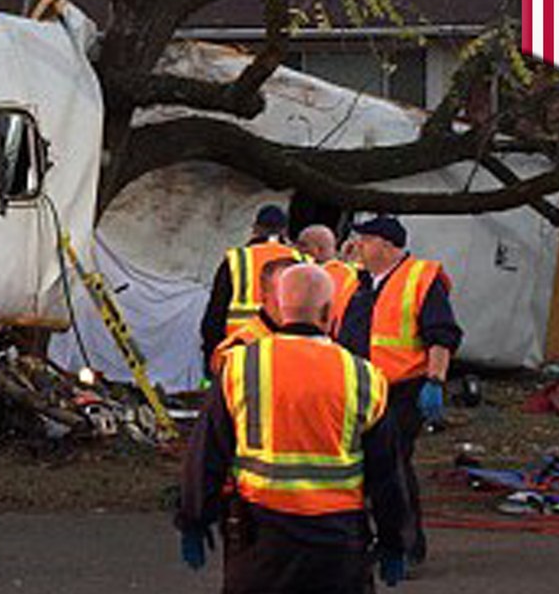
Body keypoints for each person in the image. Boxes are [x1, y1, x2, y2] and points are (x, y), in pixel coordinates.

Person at [178, 264, 412, 593]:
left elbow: (207, 452)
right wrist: (394, 540)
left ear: (281, 308)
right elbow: (387, 471)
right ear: (330, 312)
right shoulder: (364, 377)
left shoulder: (241, 368)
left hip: (260, 540)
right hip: (337, 543)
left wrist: (194, 517)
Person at [334, 215, 461, 567]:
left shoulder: (420, 279)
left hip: (401, 390)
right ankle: (367, 541)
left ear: (388, 246)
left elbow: (442, 335)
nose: (358, 246)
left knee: (392, 467)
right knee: (358, 469)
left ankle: (405, 546)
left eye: (366, 240)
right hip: (357, 390)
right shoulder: (356, 282)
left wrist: (435, 381)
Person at [200, 205, 304, 376]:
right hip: (287, 360)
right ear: (284, 231)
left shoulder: (236, 259)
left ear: (255, 229)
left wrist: (210, 355)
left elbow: (214, 316)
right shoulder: (303, 261)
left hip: (238, 356)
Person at [206, 257, 297, 378]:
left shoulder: (321, 340)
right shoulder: (237, 349)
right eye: (285, 293)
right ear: (263, 296)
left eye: (303, 291)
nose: (296, 301)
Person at [297, 224, 358, 327]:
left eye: (303, 245)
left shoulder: (315, 276)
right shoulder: (350, 272)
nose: (297, 249)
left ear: (319, 249)